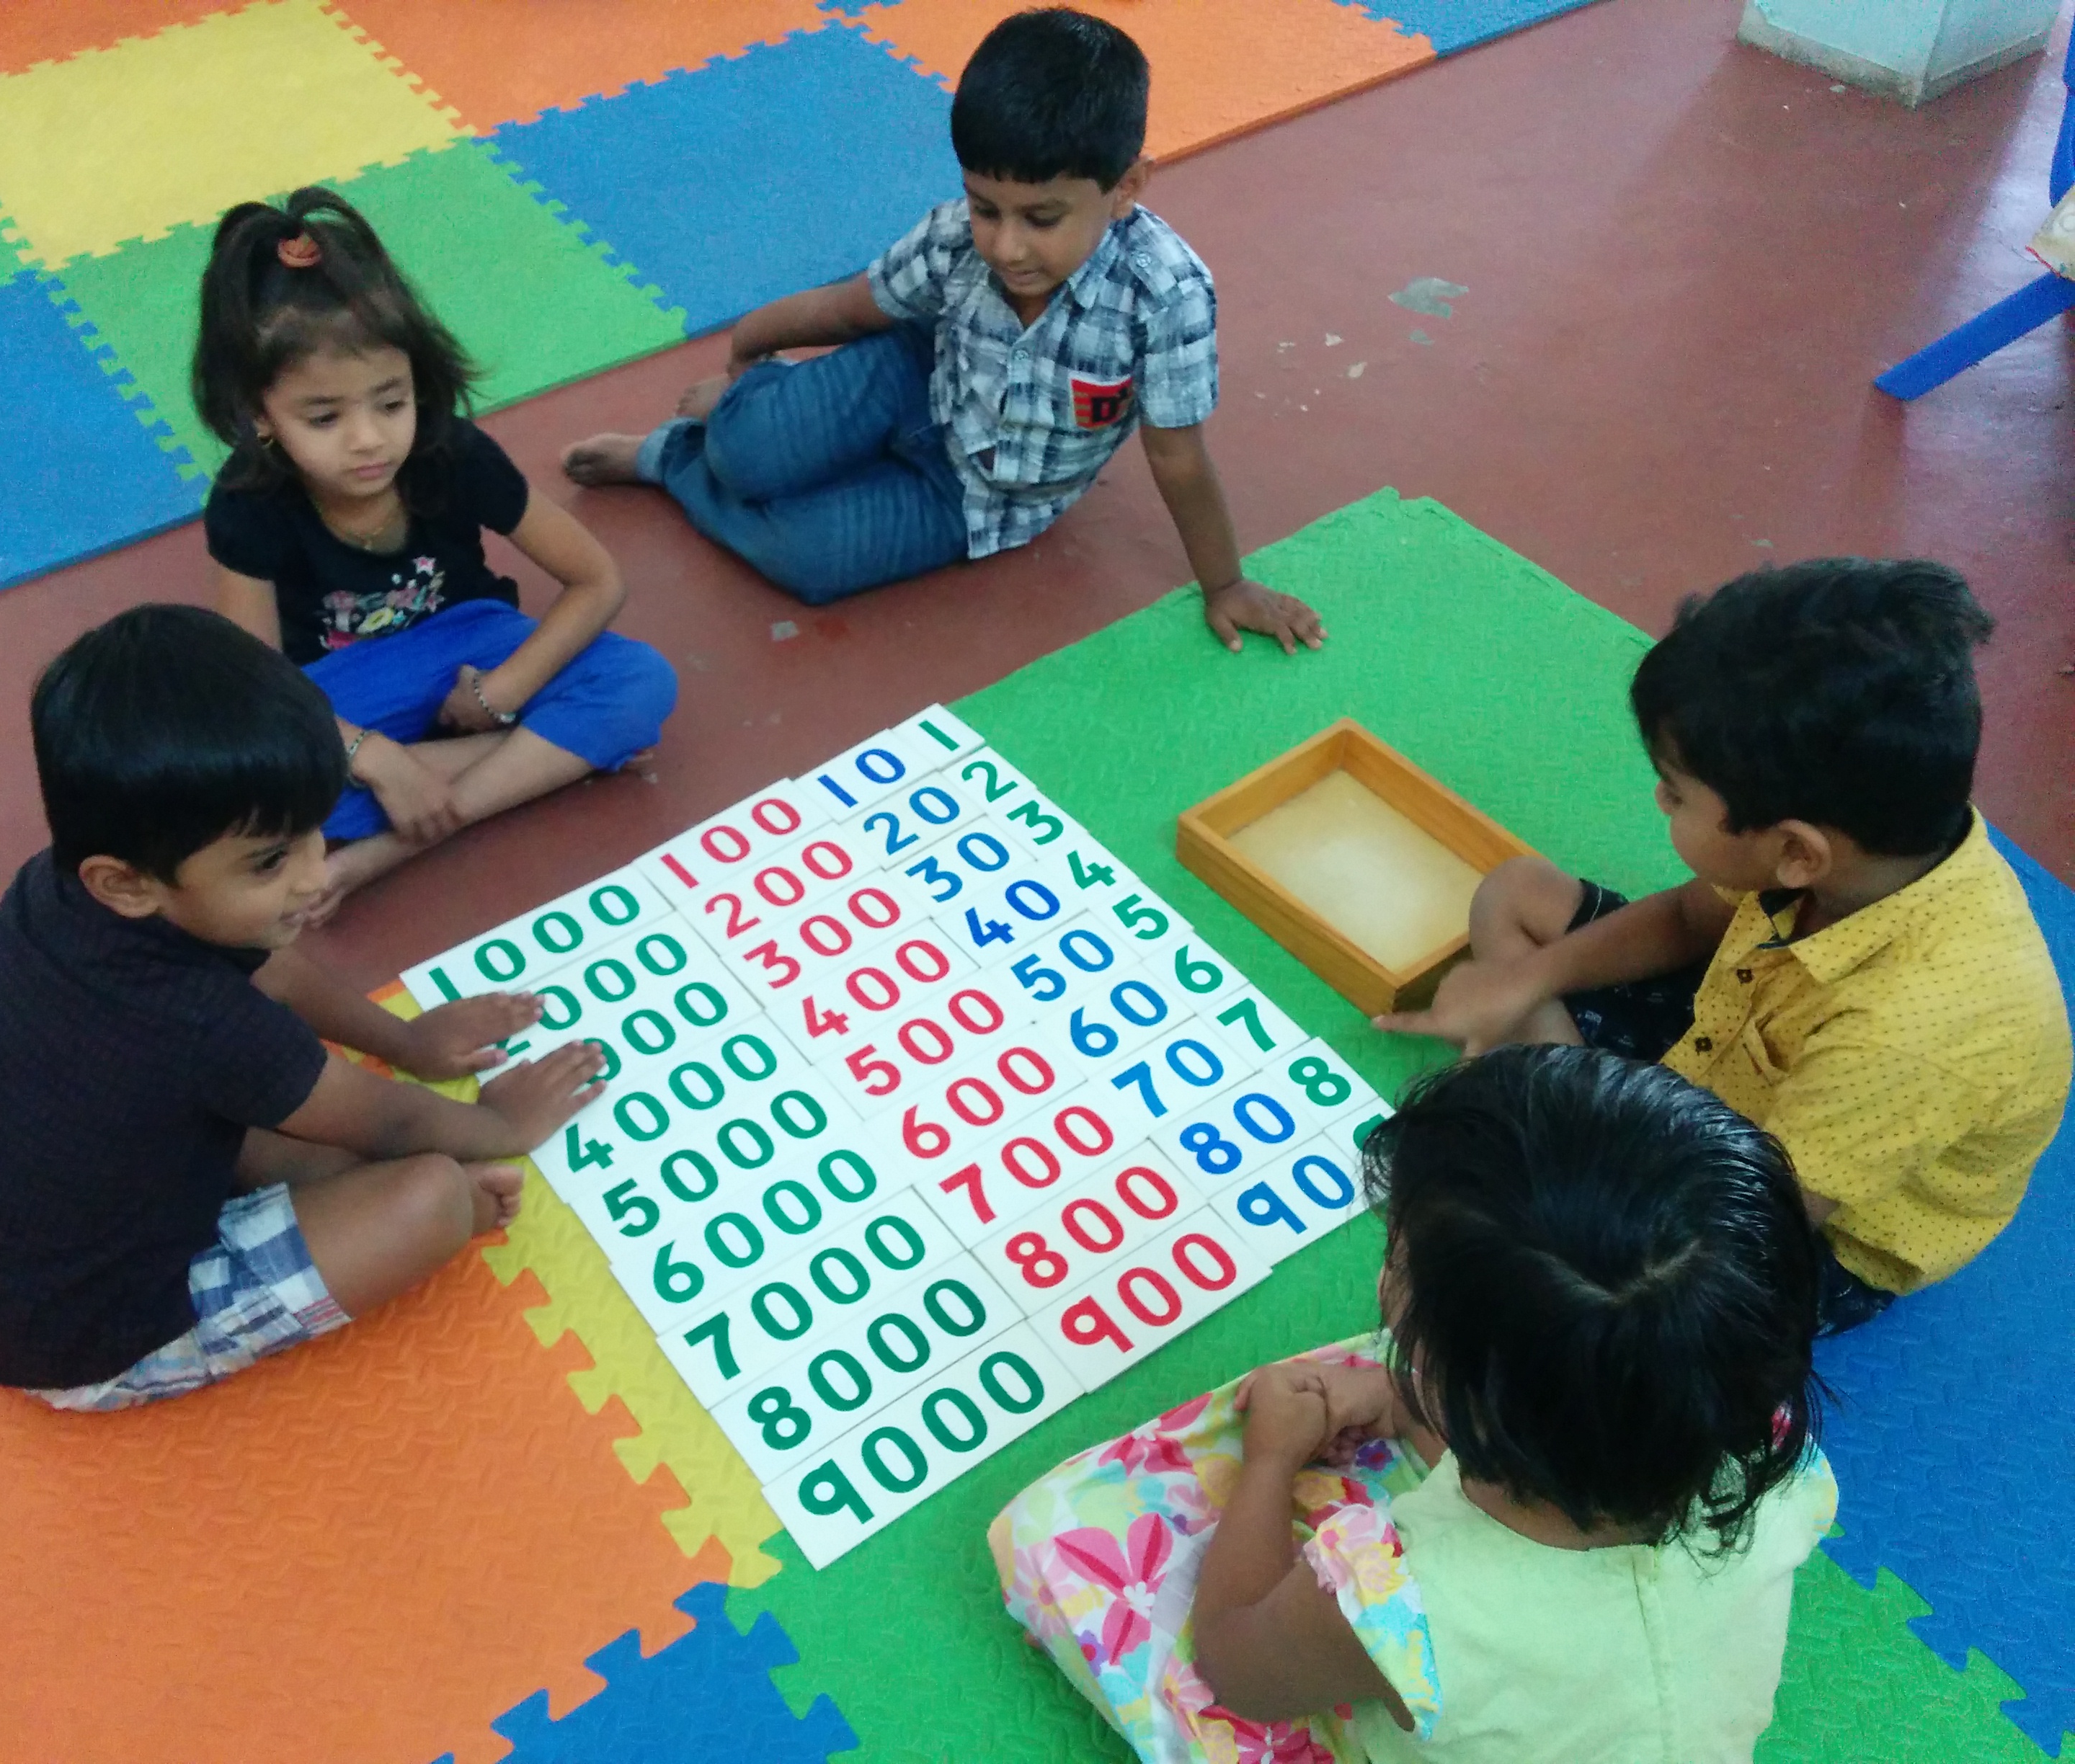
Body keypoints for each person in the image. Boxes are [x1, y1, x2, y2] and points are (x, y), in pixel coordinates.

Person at [993, 1046, 1836, 1763]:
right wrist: (1401, 1402)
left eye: (1397, 1268)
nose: (1387, 1285)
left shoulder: (1406, 1607)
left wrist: (1271, 1462)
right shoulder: (1773, 1450)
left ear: (1475, 1405)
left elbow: (1238, 1665)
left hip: (1411, 1643)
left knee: (1041, 1534)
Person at [0, 605, 607, 1412]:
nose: (314, 876)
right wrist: (500, 1129)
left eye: (313, 832)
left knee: (350, 1163)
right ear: (127, 882)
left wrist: (409, 1042)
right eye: (272, 861)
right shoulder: (198, 1023)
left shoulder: (59, 886)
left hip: (37, 1225)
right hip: (77, 1339)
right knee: (433, 1198)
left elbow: (269, 969)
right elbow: (390, 1124)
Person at [1377, 558, 2070, 1334]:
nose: (1657, 801)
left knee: (1603, 1293)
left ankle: (1563, 1105)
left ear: (1797, 854)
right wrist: (1529, 978)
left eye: (1676, 794)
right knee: (1515, 894)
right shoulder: (1865, 834)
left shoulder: (1914, 1037)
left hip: (1802, 1216)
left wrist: (1577, 1158)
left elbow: (1744, 1218)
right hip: (1740, 1034)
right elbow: (1685, 922)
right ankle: (1564, 1093)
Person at [562, 7, 1323, 654]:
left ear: (1126, 187)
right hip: (912, 377)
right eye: (987, 207)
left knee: (810, 559)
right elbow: (850, 308)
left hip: (979, 495)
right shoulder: (956, 238)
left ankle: (672, 459)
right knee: (748, 448)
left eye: (1042, 219)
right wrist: (748, 347)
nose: (1005, 246)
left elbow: (1179, 459)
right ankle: (747, 410)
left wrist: (1224, 583)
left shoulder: (1167, 294)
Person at [195, 187, 677, 921]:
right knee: (243, 802)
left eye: (391, 403)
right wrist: (373, 758)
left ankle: (394, 846)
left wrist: (503, 693)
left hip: (471, 651)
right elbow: (257, 688)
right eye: (324, 417)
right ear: (260, 414)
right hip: (335, 696)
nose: (368, 440)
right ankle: (547, 761)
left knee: (641, 680)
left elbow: (596, 579)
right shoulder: (247, 502)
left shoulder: (450, 452)